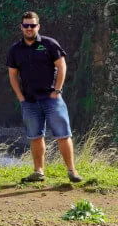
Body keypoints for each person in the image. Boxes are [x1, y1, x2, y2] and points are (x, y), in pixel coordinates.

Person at [7, 11, 83, 184]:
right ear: (21, 27)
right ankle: (38, 172)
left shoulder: (49, 44)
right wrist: (20, 97)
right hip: (29, 101)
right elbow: (12, 75)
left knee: (63, 135)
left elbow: (62, 66)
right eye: (26, 25)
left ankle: (72, 171)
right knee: (35, 137)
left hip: (52, 99)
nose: (29, 28)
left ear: (38, 26)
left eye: (32, 25)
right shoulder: (15, 50)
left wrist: (57, 91)